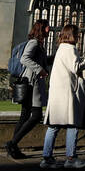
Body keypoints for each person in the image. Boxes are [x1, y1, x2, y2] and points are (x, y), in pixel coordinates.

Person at [42, 24, 85, 169]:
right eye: (77, 34)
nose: (79, 37)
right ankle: (71, 158)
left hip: (57, 93)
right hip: (67, 93)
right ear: (73, 35)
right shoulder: (70, 49)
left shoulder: (61, 48)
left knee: (54, 126)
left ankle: (47, 159)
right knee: (73, 125)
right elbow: (76, 67)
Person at [4, 20, 50, 159]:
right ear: (42, 28)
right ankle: (12, 143)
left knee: (24, 116)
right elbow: (25, 59)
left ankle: (13, 147)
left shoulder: (38, 44)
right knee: (36, 116)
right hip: (32, 82)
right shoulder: (34, 43)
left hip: (30, 81)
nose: (50, 29)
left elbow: (41, 60)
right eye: (47, 26)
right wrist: (40, 70)